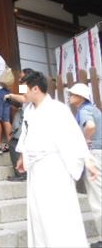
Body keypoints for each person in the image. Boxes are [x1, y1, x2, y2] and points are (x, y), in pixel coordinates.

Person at [15, 71, 97, 248]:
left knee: (58, 213)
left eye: (25, 90)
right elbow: (26, 135)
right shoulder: (29, 111)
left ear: (35, 88)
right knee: (38, 214)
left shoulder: (58, 109)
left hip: (54, 168)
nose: (23, 95)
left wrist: (86, 159)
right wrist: (22, 155)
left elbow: (73, 136)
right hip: (36, 168)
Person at [68, 83, 102, 248]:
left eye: (72, 94)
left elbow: (90, 126)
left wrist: (85, 139)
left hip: (94, 154)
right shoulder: (95, 109)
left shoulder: (84, 110)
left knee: (97, 197)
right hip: (100, 151)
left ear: (81, 97)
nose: (69, 96)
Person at [4, 68, 34, 182]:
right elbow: (22, 101)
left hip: (28, 121)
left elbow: (24, 99)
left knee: (14, 144)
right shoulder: (23, 85)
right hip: (24, 118)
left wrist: (10, 95)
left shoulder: (31, 86)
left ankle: (21, 174)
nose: (20, 79)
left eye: (22, 77)